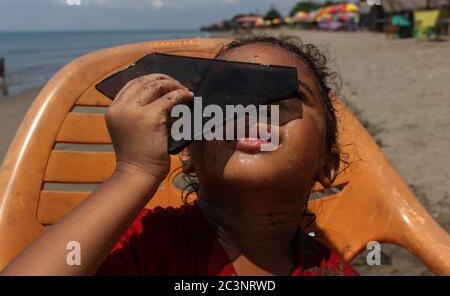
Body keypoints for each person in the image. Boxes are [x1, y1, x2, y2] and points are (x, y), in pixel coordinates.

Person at [1, 36, 358, 276]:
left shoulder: (333, 271)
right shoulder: (145, 244)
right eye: (225, 101)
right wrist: (134, 171)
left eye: (282, 102)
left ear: (326, 166)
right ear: (187, 149)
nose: (250, 112)